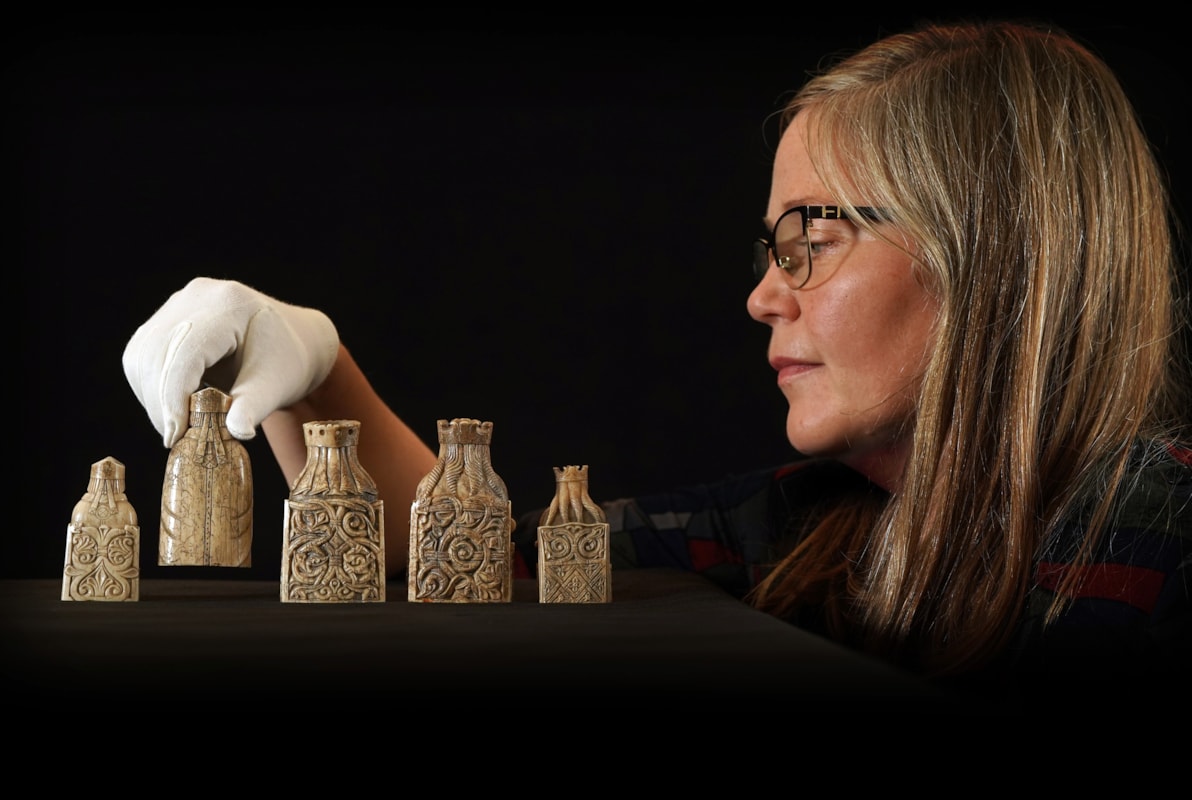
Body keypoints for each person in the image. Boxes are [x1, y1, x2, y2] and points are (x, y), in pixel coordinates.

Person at [122, 19, 1191, 705]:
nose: (765, 293)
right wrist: (316, 372)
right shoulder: (813, 524)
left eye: (811, 241)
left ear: (989, 251)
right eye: (773, 247)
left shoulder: (1164, 530)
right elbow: (465, 557)